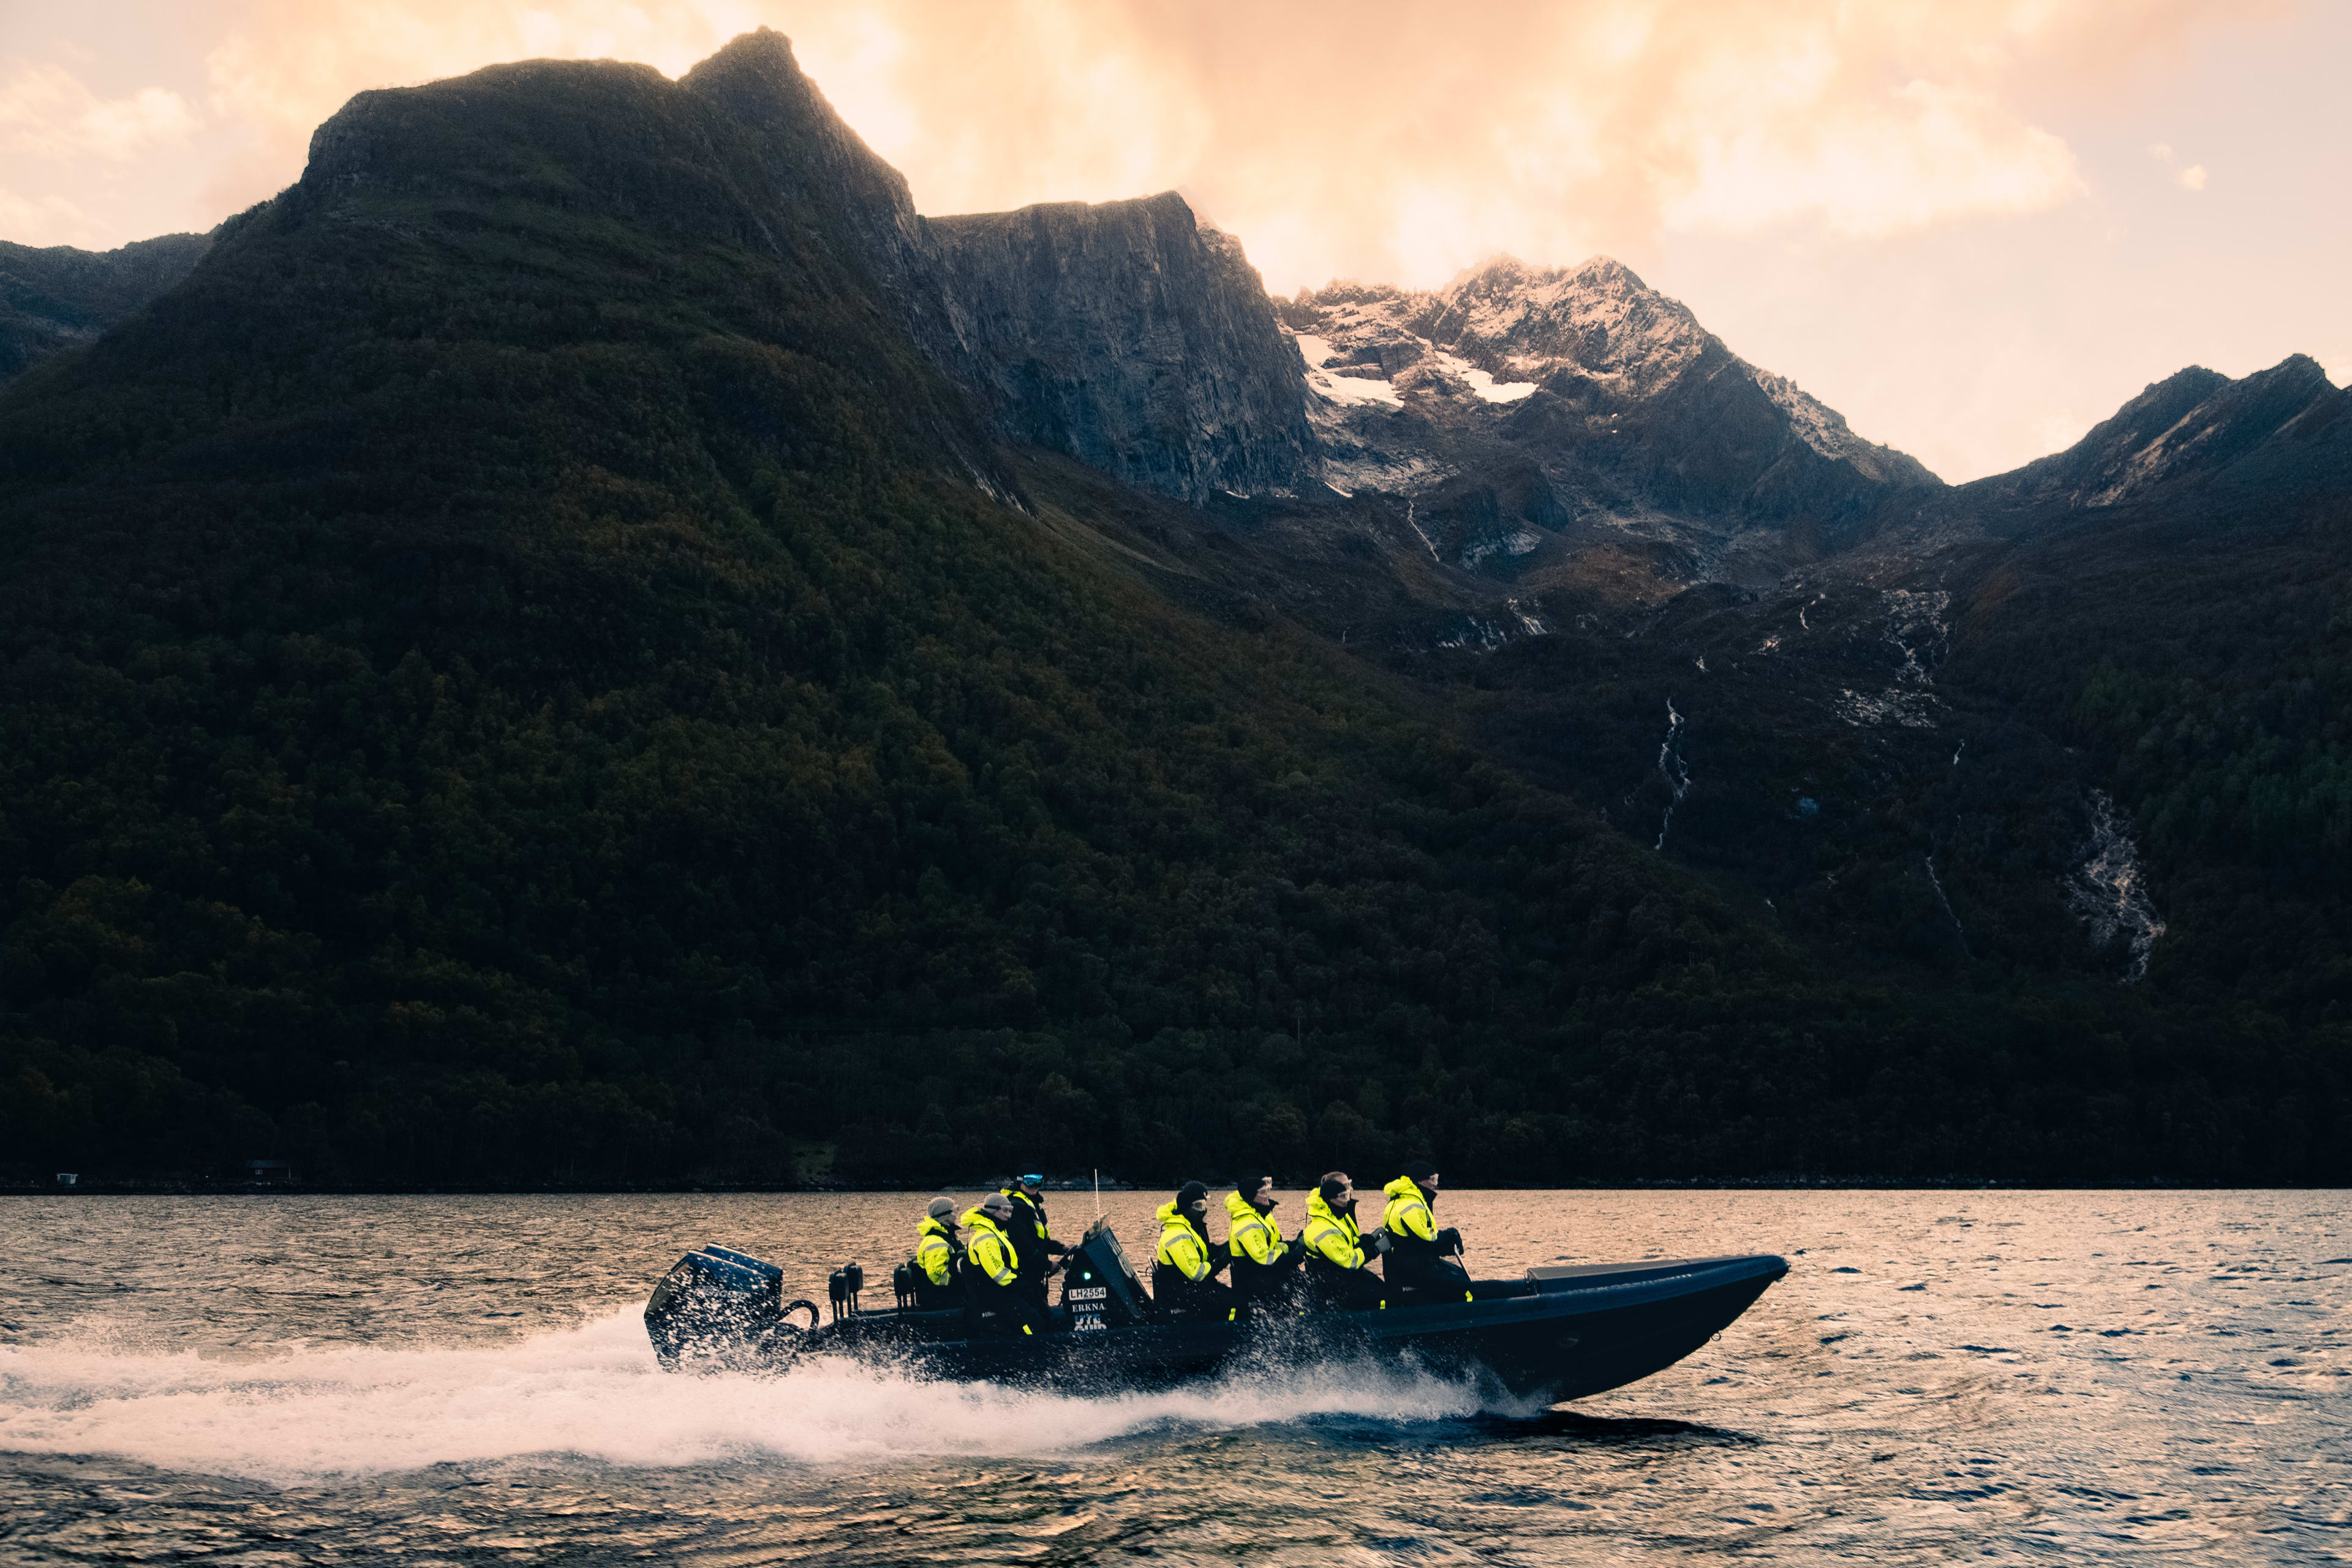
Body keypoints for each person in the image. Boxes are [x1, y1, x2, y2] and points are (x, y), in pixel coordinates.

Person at [1380, 1161, 1471, 1302]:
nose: (1435, 1184)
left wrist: (1445, 1244)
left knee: (1458, 1274)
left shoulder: (1405, 1199)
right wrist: (1450, 1234)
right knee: (1461, 1285)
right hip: (1412, 1268)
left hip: (1410, 1262)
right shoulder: (1410, 1205)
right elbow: (1426, 1239)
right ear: (1421, 1181)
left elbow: (1418, 1240)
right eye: (1433, 1179)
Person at [960, 1191, 1044, 1337]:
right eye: (1005, 1211)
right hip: (996, 1293)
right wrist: (1021, 1285)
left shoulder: (998, 1232)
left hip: (1004, 1290)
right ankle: (1032, 1350)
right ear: (993, 1211)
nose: (1008, 1216)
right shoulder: (986, 1237)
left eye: (1011, 1211)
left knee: (1038, 1311)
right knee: (1032, 1322)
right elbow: (997, 1273)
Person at [1300, 1171, 1387, 1311]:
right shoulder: (1323, 1226)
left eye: (1349, 1186)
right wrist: (1376, 1249)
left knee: (1381, 1287)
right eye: (1344, 1189)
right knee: (1380, 1296)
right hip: (1333, 1279)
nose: (1349, 1191)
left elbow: (1350, 1243)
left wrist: (1370, 1239)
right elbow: (1350, 1260)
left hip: (1343, 1273)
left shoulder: (1339, 1213)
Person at [1152, 1180, 1232, 1319]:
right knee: (1234, 1303)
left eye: (1205, 1204)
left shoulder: (1189, 1226)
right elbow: (1196, 1273)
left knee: (1232, 1296)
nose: (1204, 1210)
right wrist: (1222, 1261)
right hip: (1180, 1295)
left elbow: (1203, 1252)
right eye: (1199, 1206)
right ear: (1186, 1207)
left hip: (1190, 1288)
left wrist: (1227, 1248)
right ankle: (1231, 1331)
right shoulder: (1177, 1234)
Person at [1224, 1175, 1300, 1318]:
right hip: (1252, 1280)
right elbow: (1265, 1258)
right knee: (1289, 1286)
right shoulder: (1247, 1223)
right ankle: (1292, 1319)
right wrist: (1298, 1254)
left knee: (1297, 1280)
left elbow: (1273, 1247)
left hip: (1260, 1275)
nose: (1267, 1196)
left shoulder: (1255, 1215)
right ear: (1252, 1196)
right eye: (1263, 1193)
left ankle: (1298, 1313)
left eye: (1268, 1191)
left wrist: (1295, 1245)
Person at [999, 1172, 1069, 1317]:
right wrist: (1047, 1264)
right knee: (1040, 1315)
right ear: (1020, 1182)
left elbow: (1041, 1241)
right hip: (1025, 1273)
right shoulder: (1017, 1206)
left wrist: (1063, 1249)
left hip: (1036, 1273)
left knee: (1042, 1307)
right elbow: (1023, 1244)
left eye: (1039, 1181)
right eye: (1030, 1181)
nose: (1035, 1186)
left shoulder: (1032, 1204)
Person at [911, 1196, 965, 1310]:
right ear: (946, 1215)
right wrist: (965, 1282)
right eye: (955, 1210)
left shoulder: (947, 1235)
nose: (956, 1214)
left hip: (948, 1295)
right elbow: (939, 1278)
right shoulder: (936, 1241)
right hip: (941, 1299)